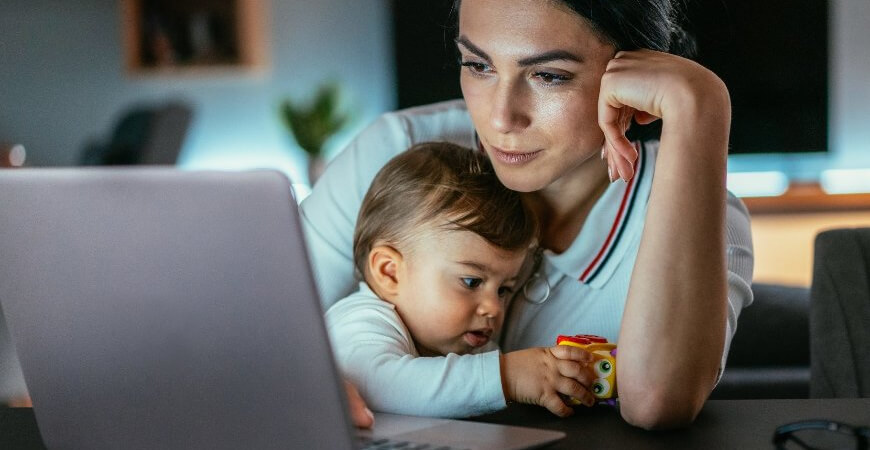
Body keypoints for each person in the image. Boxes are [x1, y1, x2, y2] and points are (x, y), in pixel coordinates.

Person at [303, 0, 753, 430]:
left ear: (634, 89)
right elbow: (250, 339)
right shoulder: (393, 153)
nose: (500, 118)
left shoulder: (703, 214)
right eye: (478, 65)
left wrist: (700, 106)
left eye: (549, 75)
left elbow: (656, 403)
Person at [326, 142, 598, 418]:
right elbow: (380, 385)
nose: (493, 308)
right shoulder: (360, 322)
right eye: (472, 282)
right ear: (389, 272)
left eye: (503, 289)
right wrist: (507, 376)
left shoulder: (459, 345)